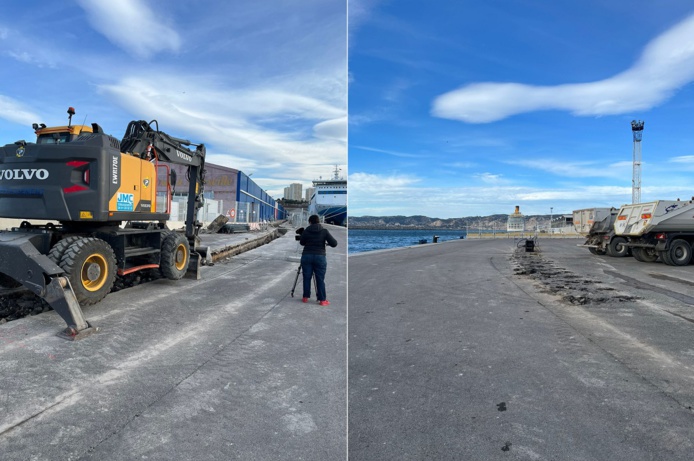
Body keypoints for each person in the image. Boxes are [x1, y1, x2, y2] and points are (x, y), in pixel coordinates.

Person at [299, 214, 338, 306]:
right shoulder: (324, 231)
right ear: (318, 222)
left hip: (307, 256)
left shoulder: (306, 230)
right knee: (320, 279)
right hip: (320, 257)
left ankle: (305, 297)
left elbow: (301, 242)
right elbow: (334, 243)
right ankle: (322, 300)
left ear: (310, 222)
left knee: (306, 277)